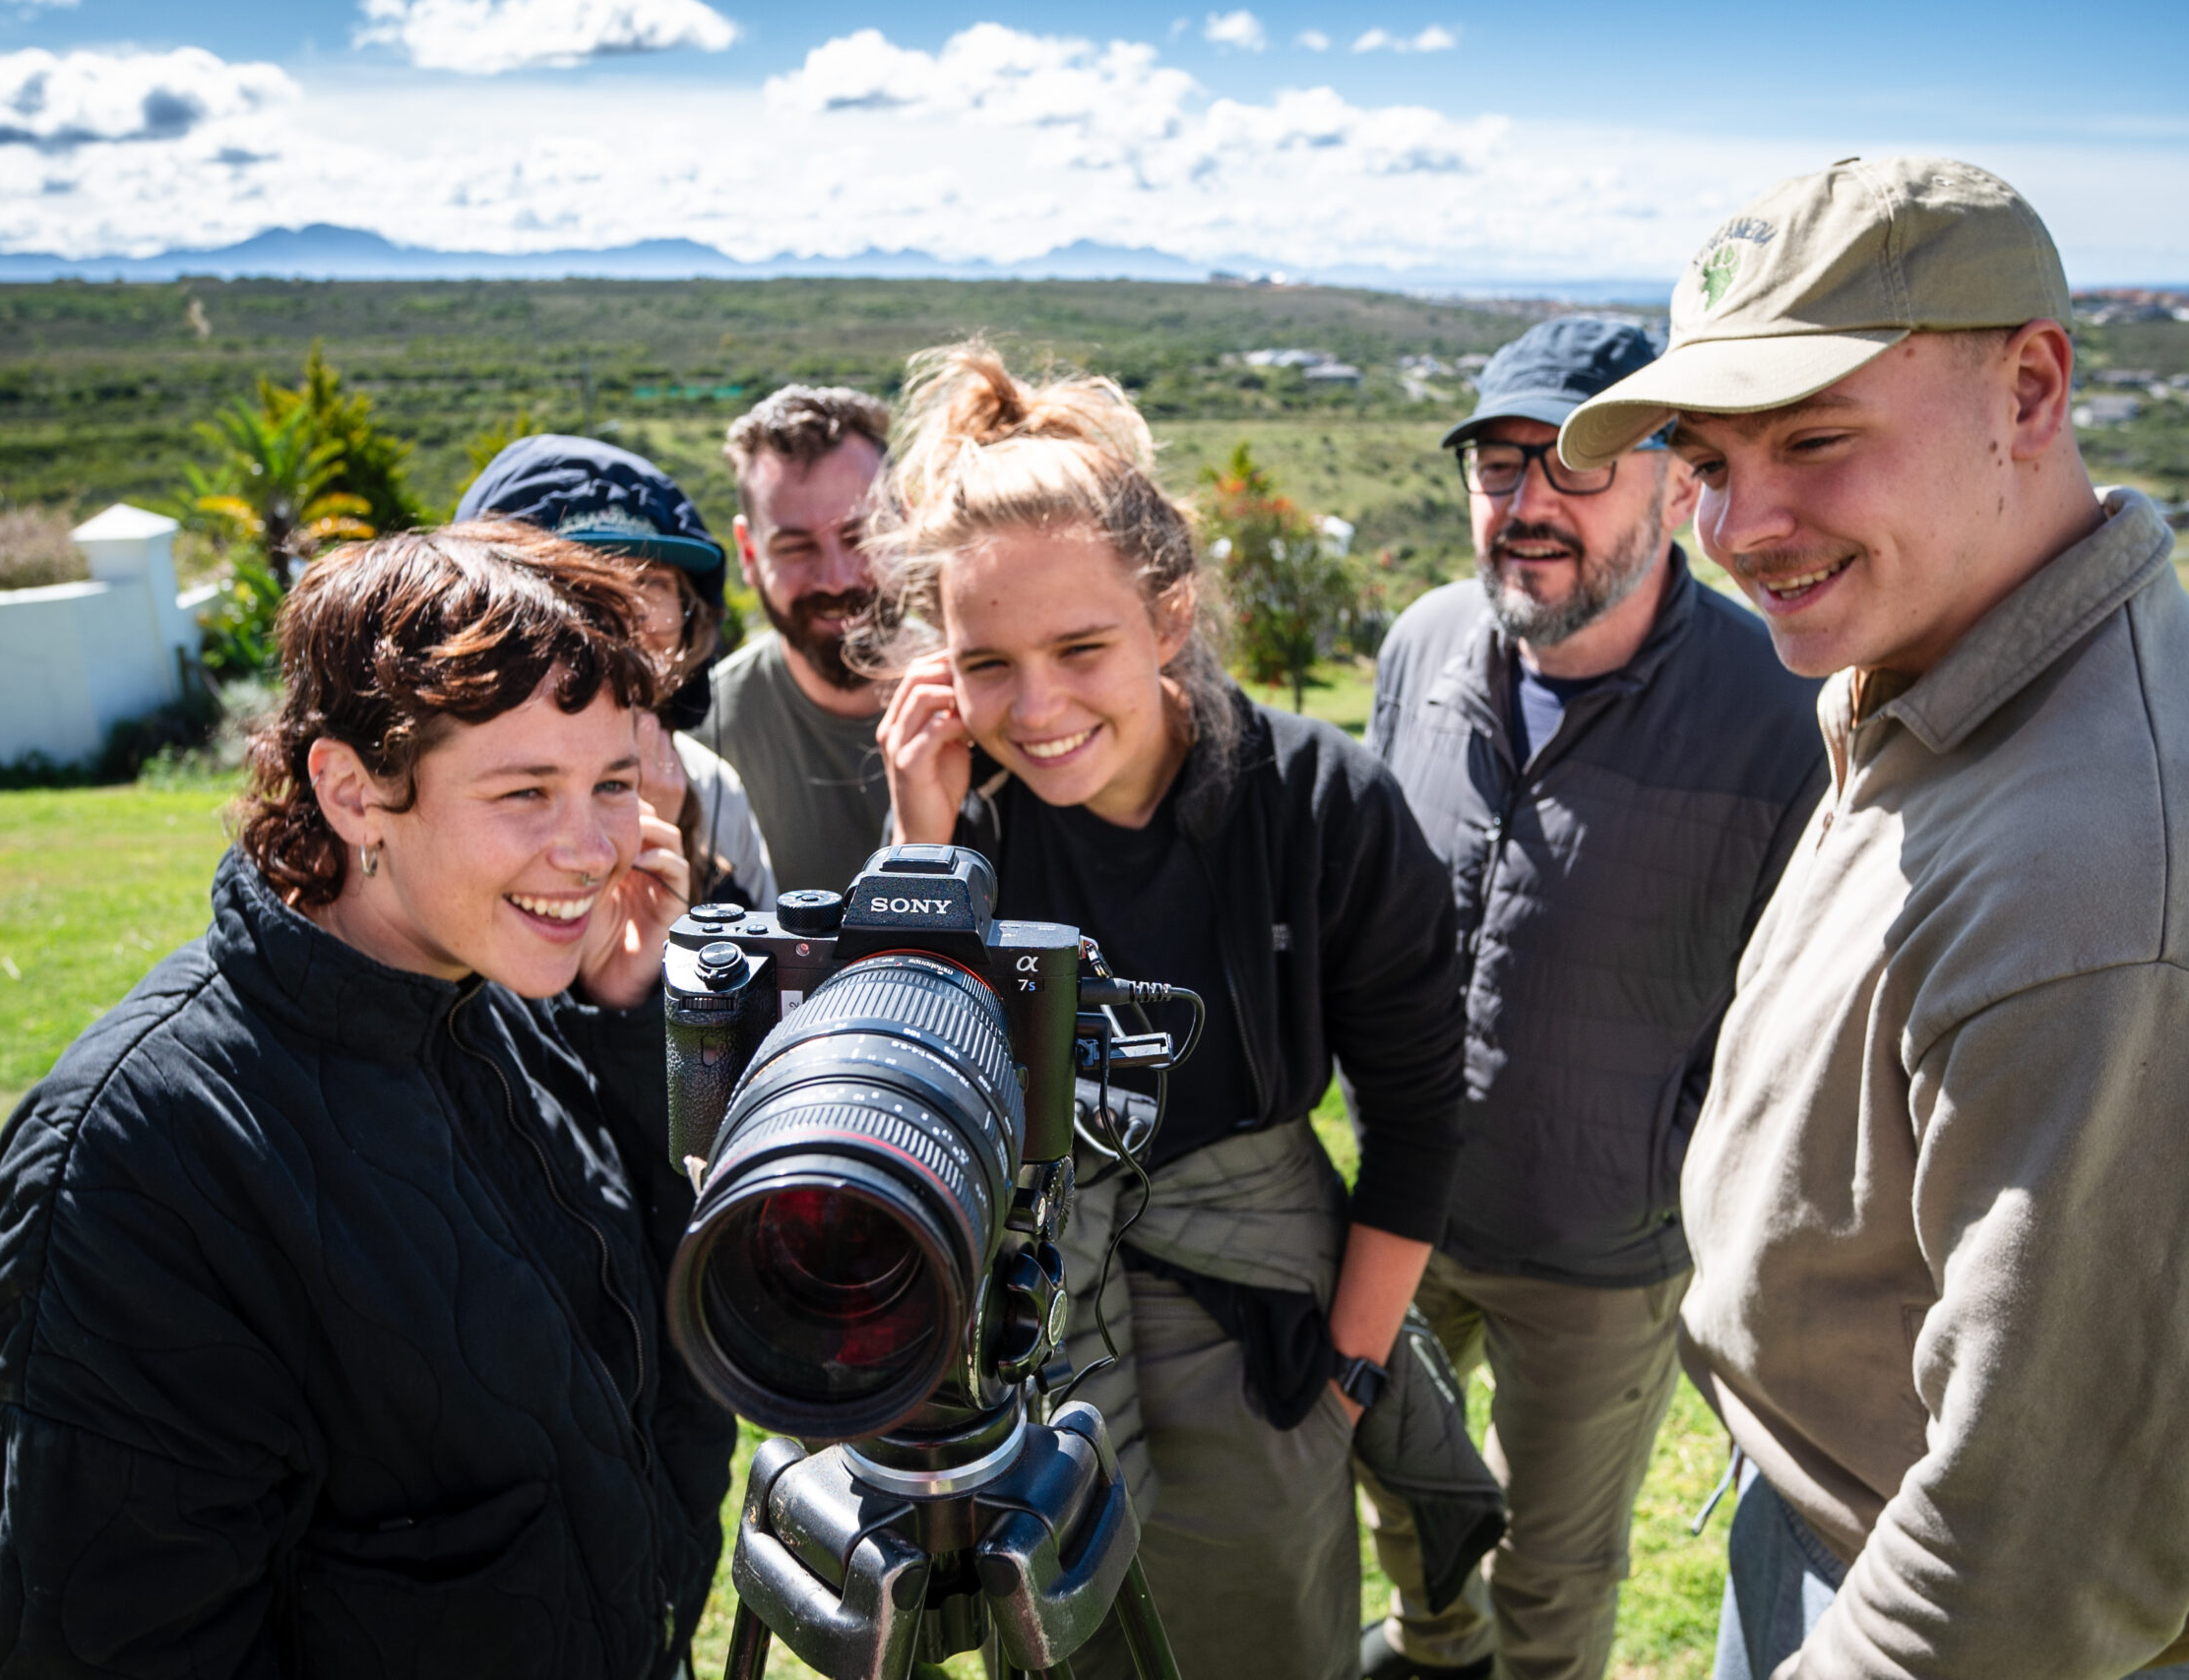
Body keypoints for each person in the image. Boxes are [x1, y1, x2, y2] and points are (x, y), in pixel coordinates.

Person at [1556, 156, 2189, 1679]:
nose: (1741, 524)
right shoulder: (1942, 665)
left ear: (2030, 390)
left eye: (1815, 438)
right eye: (1706, 460)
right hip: (1842, 1527)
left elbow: (2024, 1573)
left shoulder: (2118, 883)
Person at [0, 523, 737, 1677]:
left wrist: (630, 1021)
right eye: (525, 790)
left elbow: (674, 1347)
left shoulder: (498, 995)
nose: (592, 851)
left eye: (613, 784)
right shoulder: (144, 1156)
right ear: (350, 791)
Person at [867, 342, 1476, 1680]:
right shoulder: (960, 826)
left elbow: (1420, 1113)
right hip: (1037, 1325)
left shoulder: (1320, 806)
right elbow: (904, 1104)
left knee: (1264, 1637)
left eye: (1081, 648)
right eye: (986, 662)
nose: (1038, 708)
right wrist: (920, 850)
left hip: (1263, 1334)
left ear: (1172, 615)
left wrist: (1349, 1377)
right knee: (1062, 1636)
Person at [1356, 318, 1826, 1680]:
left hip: (1600, 1255)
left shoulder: (1779, 709)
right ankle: (1432, 1648)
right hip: (1400, 1212)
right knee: (1403, 1493)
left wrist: (1662, 1170)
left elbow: (1789, 1016)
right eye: (1498, 465)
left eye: (1575, 463)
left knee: (1553, 1572)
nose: (1528, 503)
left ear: (1678, 489)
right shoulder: (1423, 646)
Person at [461, 431, 778, 907]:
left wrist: (683, 869)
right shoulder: (457, 790)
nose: (626, 616)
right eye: (579, 580)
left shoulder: (712, 785)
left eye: (652, 582)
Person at [693, 384, 892, 893]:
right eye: (796, 548)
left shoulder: (998, 701)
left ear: (906, 522)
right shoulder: (703, 742)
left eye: (859, 536)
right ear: (749, 553)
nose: (837, 579)